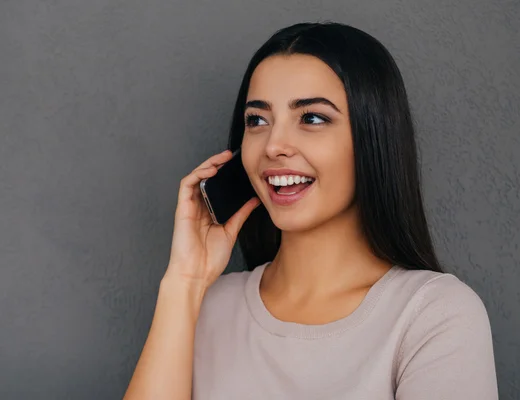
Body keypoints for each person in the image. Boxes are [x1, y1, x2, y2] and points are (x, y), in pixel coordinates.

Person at [123, 22, 498, 399]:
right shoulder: (207, 306)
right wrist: (184, 282)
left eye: (312, 118)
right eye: (257, 120)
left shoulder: (432, 314)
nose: (274, 145)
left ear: (373, 139)